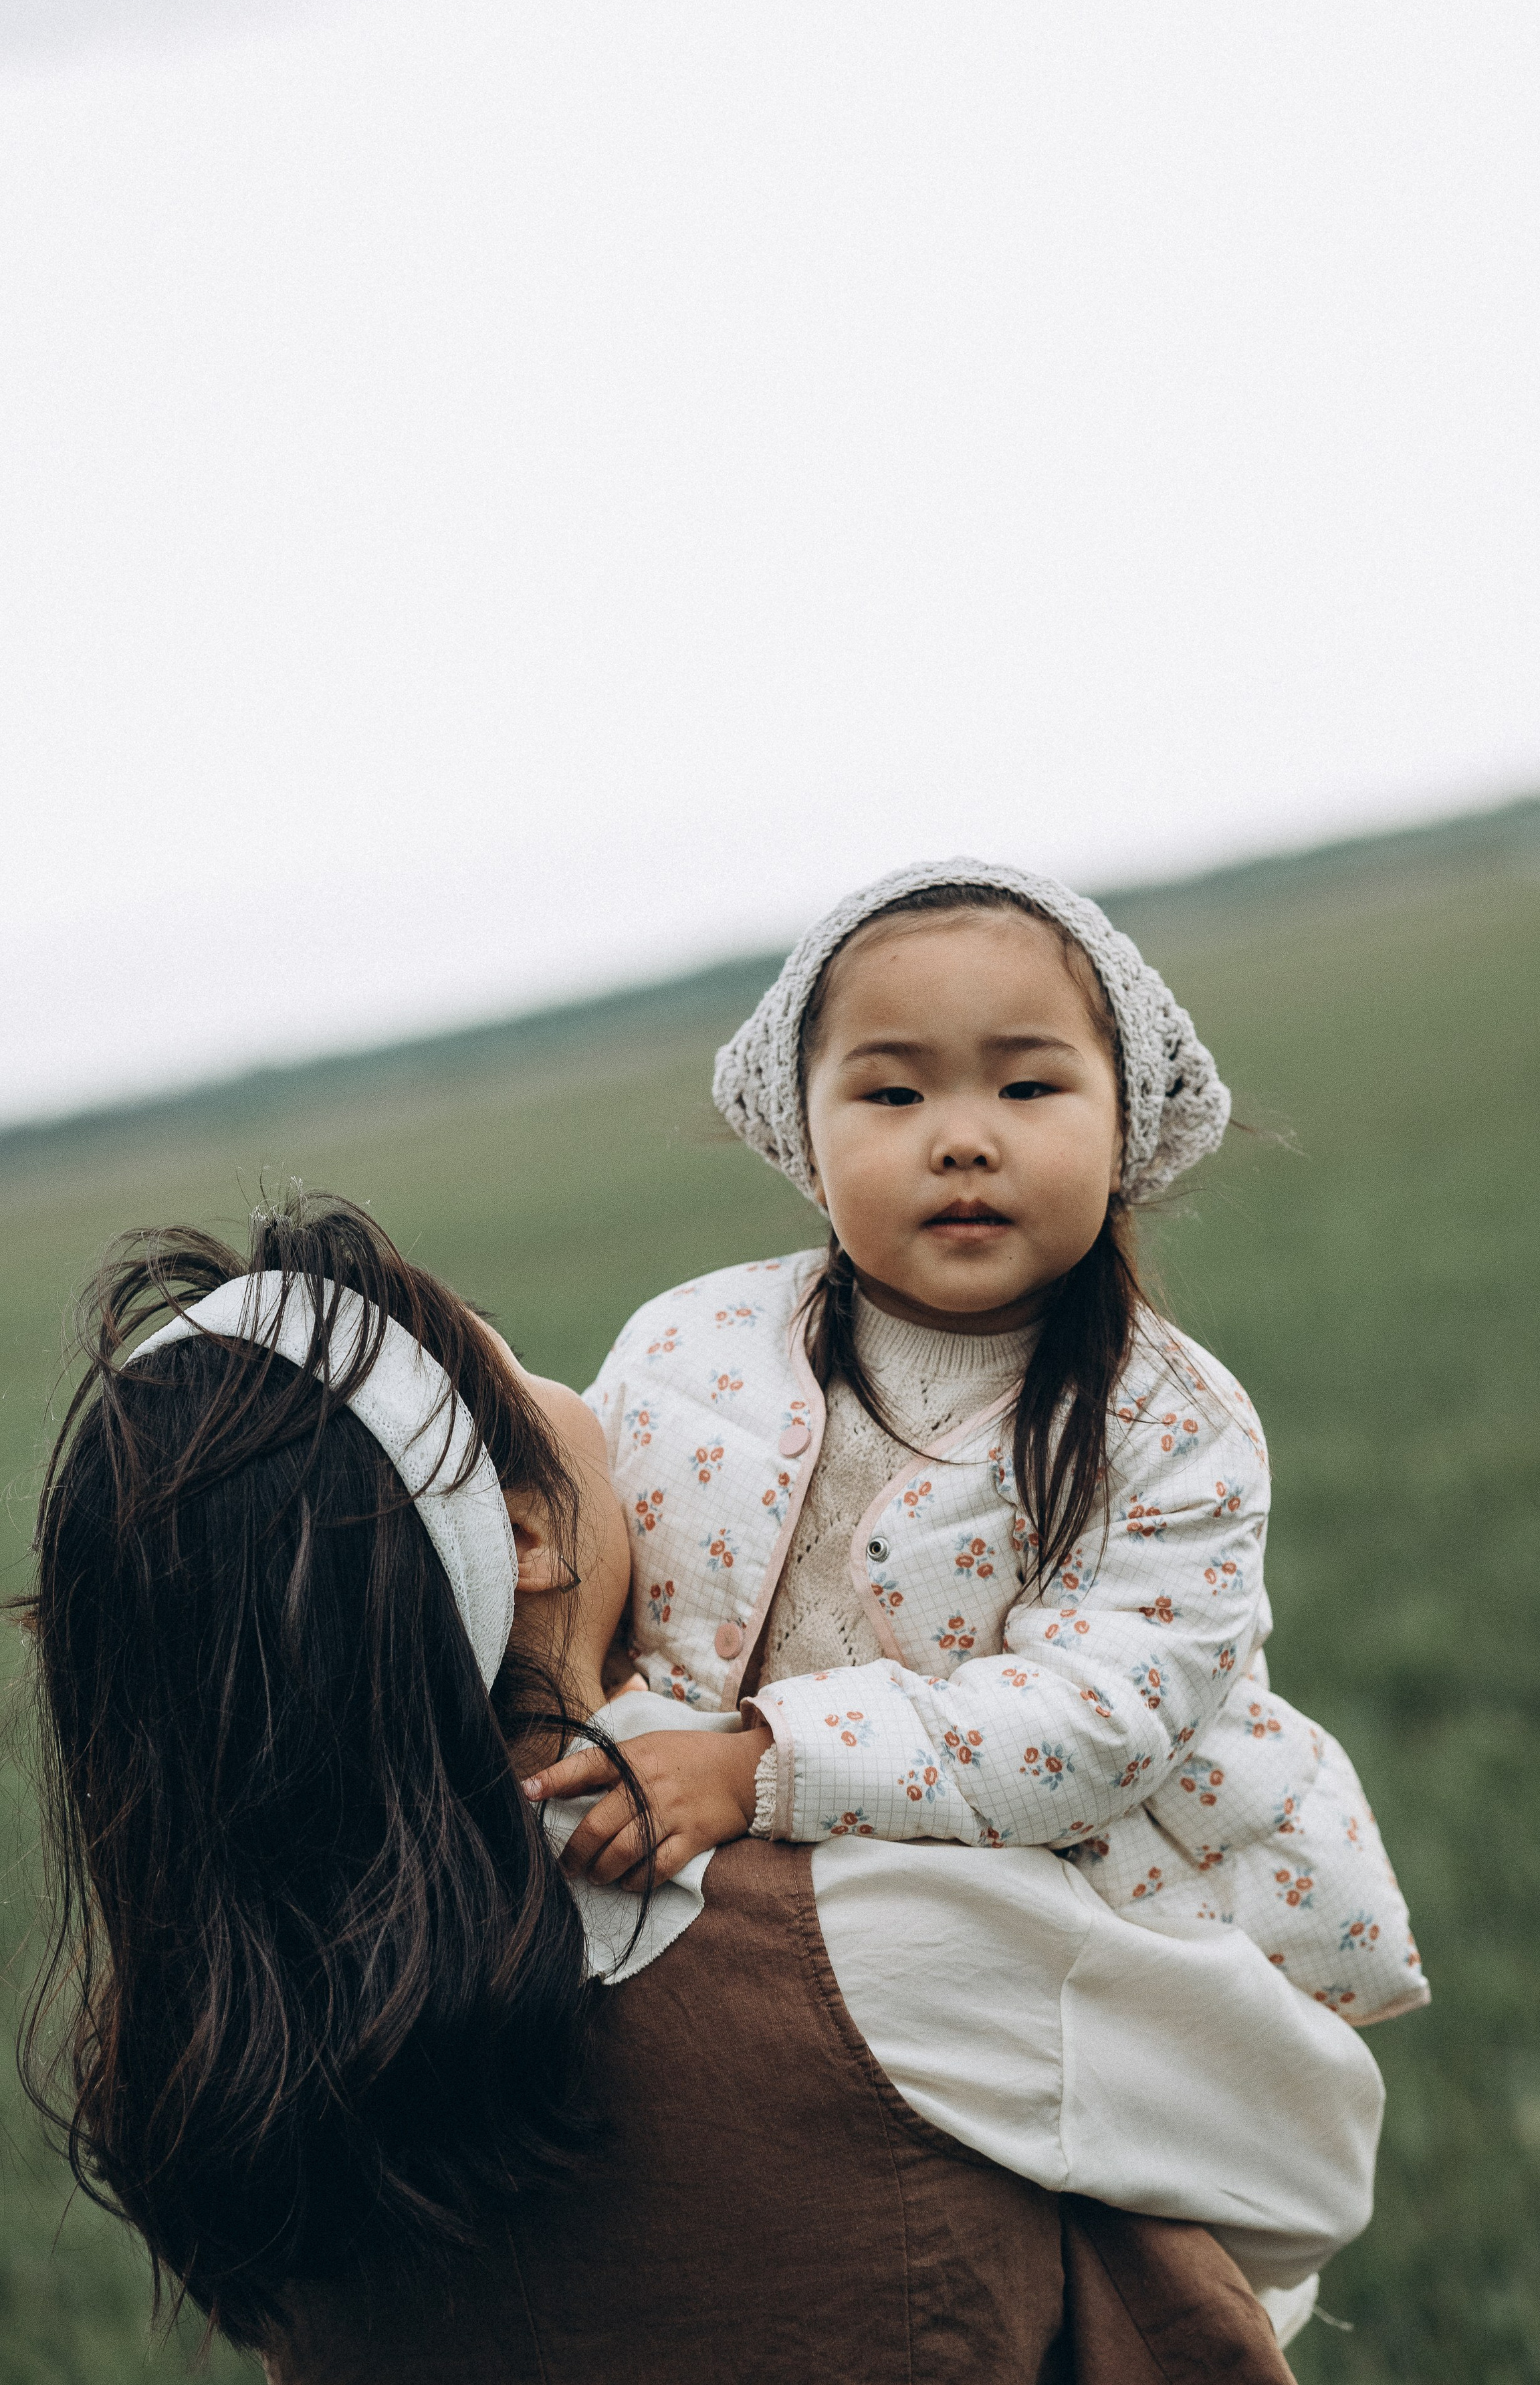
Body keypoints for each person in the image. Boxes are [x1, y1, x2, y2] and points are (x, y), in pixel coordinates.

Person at [19, 1197, 1379, 2378]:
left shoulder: (223, 2059)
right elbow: (1302, 2165)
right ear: (529, 1531)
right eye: (525, 1365)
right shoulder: (860, 1931)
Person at [534, 859, 1428, 2018]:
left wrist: (763, 1766)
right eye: (894, 1097)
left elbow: (1094, 1725)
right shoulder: (689, 1344)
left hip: (1075, 1924)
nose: (961, 1139)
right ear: (804, 1130)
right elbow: (577, 1568)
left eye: (1028, 1088)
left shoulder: (1165, 1422)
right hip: (730, 1894)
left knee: (1127, 2177)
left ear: (1126, 1117)